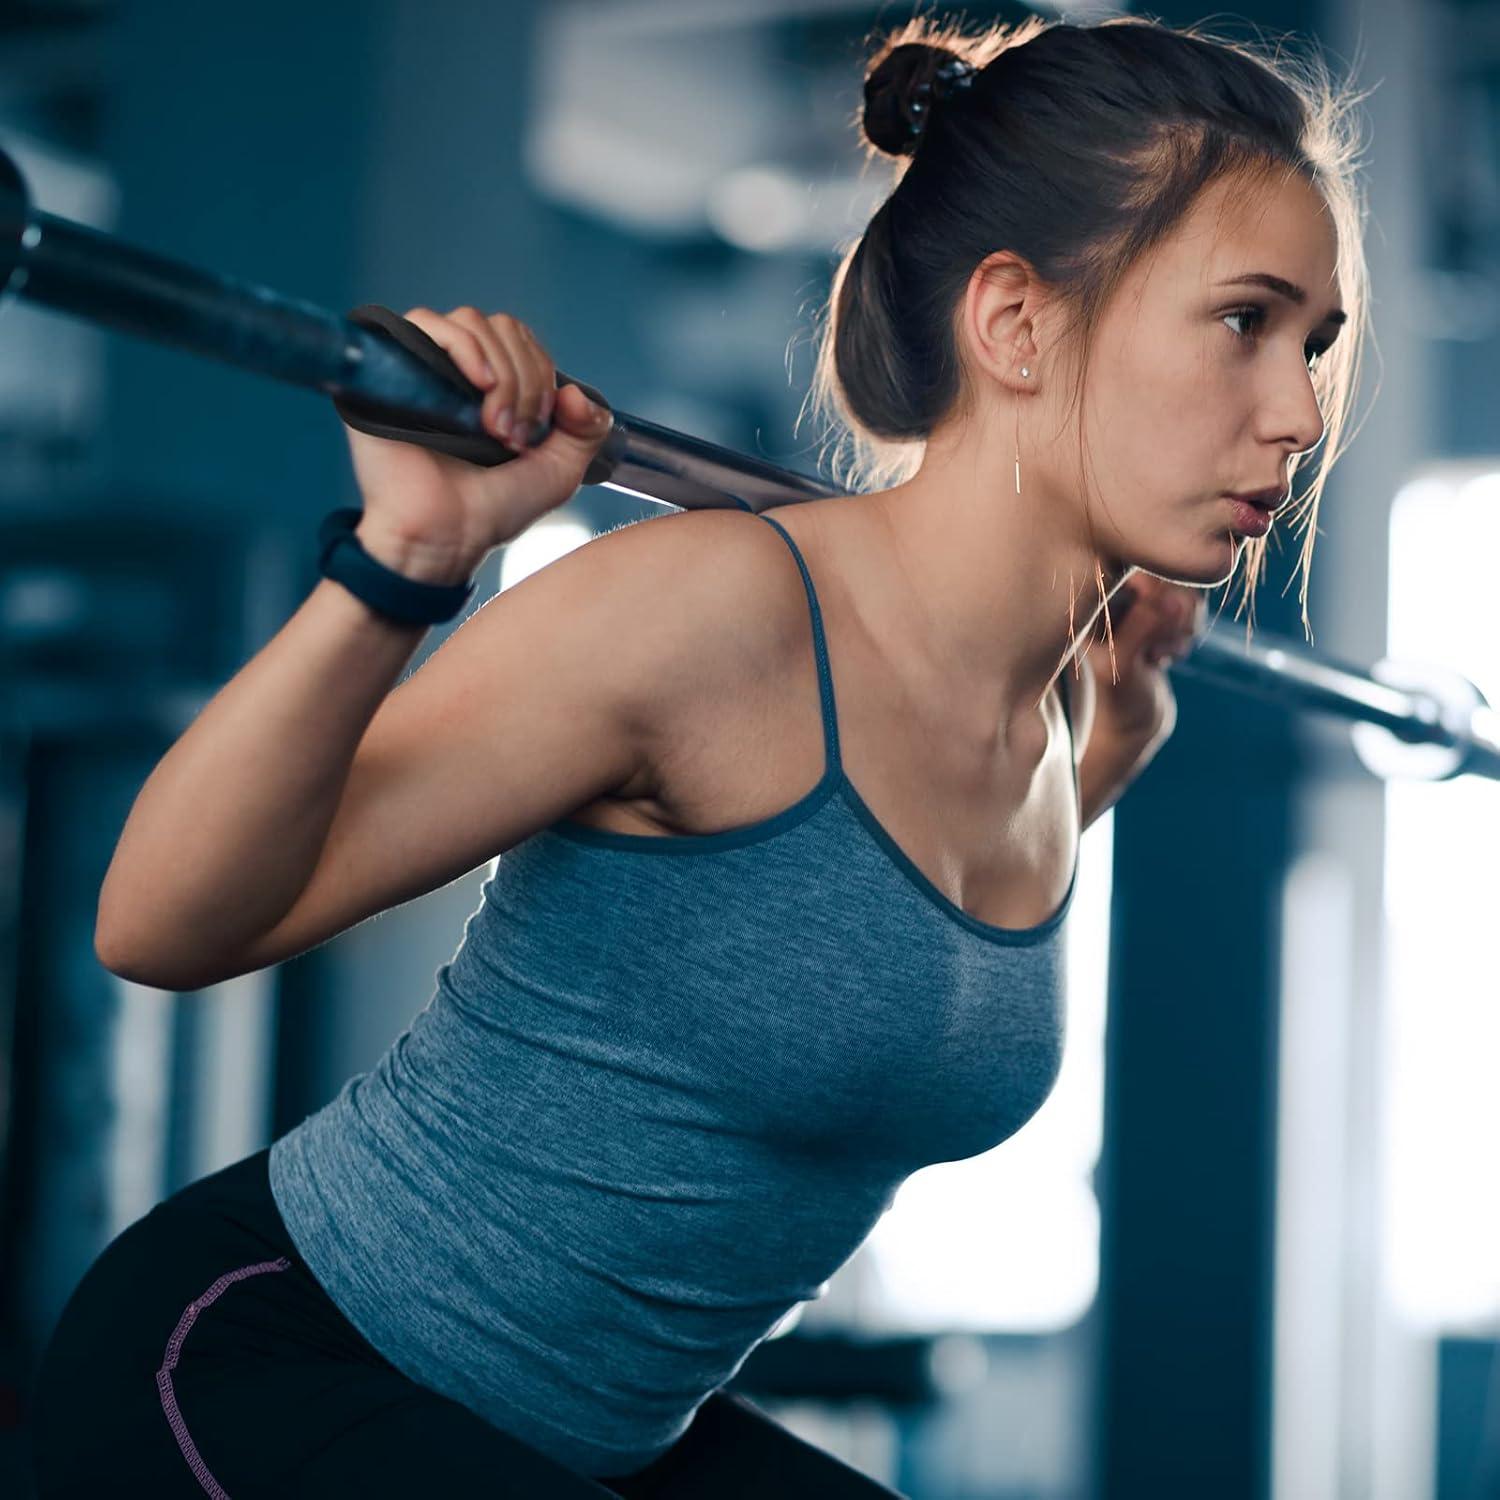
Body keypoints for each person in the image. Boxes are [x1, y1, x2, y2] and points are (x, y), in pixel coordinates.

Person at [30, 9, 1369, 1497]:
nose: (1299, 412)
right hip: (273, 1366)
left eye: (1313, 344)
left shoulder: (1052, 729)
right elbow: (157, 924)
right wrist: (406, 563)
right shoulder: (716, 611)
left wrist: (1111, 745)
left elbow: (875, 953)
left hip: (595, 1441)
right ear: (1016, 324)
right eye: (1244, 322)